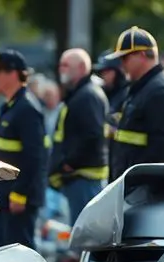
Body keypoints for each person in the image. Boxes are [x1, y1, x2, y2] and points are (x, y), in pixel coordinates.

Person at [0, 49, 46, 250]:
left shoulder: (27, 108)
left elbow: (34, 157)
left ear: (13, 73)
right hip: (5, 196)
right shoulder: (11, 105)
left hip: (18, 199)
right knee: (0, 251)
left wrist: (20, 194)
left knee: (20, 254)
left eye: (0, 71)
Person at [106, 26, 164, 181]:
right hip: (133, 186)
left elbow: (161, 149)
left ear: (142, 55)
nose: (121, 64)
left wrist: (141, 184)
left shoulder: (159, 91)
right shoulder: (141, 88)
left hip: (146, 190)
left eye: (125, 58)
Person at [48, 48, 109, 224]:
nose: (61, 69)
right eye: (60, 65)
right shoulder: (81, 94)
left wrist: (69, 163)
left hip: (84, 177)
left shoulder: (87, 96)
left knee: (86, 231)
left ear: (82, 68)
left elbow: (92, 135)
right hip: (80, 177)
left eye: (66, 65)